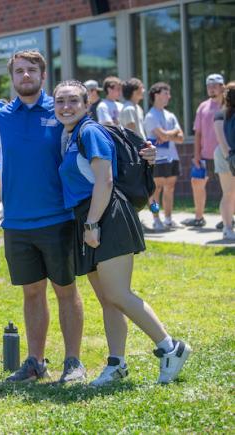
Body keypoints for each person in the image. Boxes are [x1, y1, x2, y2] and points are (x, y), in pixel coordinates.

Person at [53, 79, 191, 385]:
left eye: (73, 101)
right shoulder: (68, 134)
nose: (66, 107)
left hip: (105, 216)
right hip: (87, 218)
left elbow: (105, 181)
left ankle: (170, 347)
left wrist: (91, 224)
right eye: (60, 101)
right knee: (108, 299)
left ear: (86, 104)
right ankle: (116, 364)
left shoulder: (89, 131)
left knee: (118, 293)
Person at [0, 50, 86, 384]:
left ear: (43, 75)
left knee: (66, 290)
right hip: (17, 223)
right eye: (19, 71)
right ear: (12, 77)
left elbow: (92, 139)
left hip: (58, 219)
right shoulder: (3, 116)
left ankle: (73, 363)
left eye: (31, 70)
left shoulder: (61, 108)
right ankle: (35, 362)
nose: (25, 76)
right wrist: (5, 162)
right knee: (32, 293)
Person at [183, 74, 225, 228]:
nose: (211, 88)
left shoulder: (228, 105)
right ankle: (199, 218)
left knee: (228, 188)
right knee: (196, 183)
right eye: (208, 86)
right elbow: (198, 133)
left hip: (224, 154)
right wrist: (196, 155)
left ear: (222, 87)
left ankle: (227, 218)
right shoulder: (203, 106)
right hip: (205, 156)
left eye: (215, 85)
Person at [144, 82, 184, 230]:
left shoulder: (170, 115)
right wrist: (171, 133)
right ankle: (156, 219)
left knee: (170, 188)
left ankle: (168, 219)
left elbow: (181, 138)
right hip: (157, 158)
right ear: (156, 95)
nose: (169, 96)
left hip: (172, 157)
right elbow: (162, 135)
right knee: (156, 190)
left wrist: (168, 135)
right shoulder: (150, 115)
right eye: (166, 93)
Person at [213, 81, 235, 240]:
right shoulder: (221, 114)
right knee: (229, 193)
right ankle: (228, 229)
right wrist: (230, 157)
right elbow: (222, 140)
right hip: (225, 156)